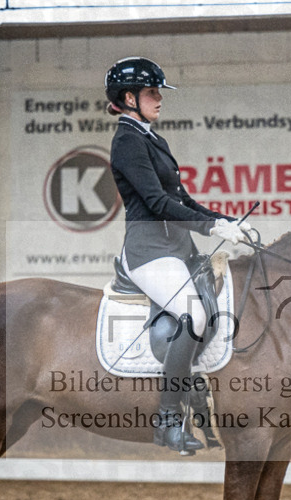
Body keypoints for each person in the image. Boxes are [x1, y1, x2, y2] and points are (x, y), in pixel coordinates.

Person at [105, 56, 250, 454]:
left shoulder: (153, 138)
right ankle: (169, 420)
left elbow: (181, 199)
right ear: (129, 98)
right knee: (194, 315)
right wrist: (210, 227)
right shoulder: (127, 141)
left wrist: (225, 220)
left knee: (219, 299)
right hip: (149, 250)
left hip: (176, 248)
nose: (159, 99)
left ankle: (202, 400)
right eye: (152, 92)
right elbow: (154, 201)